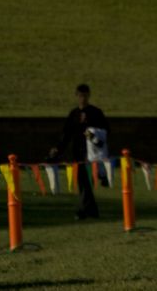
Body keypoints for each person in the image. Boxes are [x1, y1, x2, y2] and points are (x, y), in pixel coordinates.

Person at [48, 84, 110, 220]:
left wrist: (93, 136)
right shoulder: (73, 114)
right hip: (77, 152)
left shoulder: (96, 113)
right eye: (80, 95)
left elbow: (105, 132)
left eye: (85, 95)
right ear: (77, 96)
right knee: (82, 182)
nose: (83, 98)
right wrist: (57, 149)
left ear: (89, 95)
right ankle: (90, 211)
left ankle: (84, 211)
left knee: (85, 182)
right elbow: (66, 134)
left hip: (92, 153)